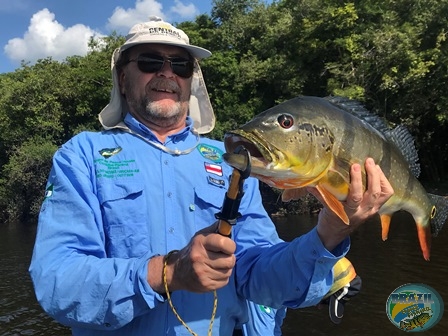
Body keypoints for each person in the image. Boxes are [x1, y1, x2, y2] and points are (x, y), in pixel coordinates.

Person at [29, 16, 394, 336]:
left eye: (181, 66)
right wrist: (167, 273)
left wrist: (329, 233)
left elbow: (258, 276)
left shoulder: (231, 160)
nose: (167, 73)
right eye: (150, 61)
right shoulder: (82, 156)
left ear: (192, 81)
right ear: (123, 79)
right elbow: (57, 282)